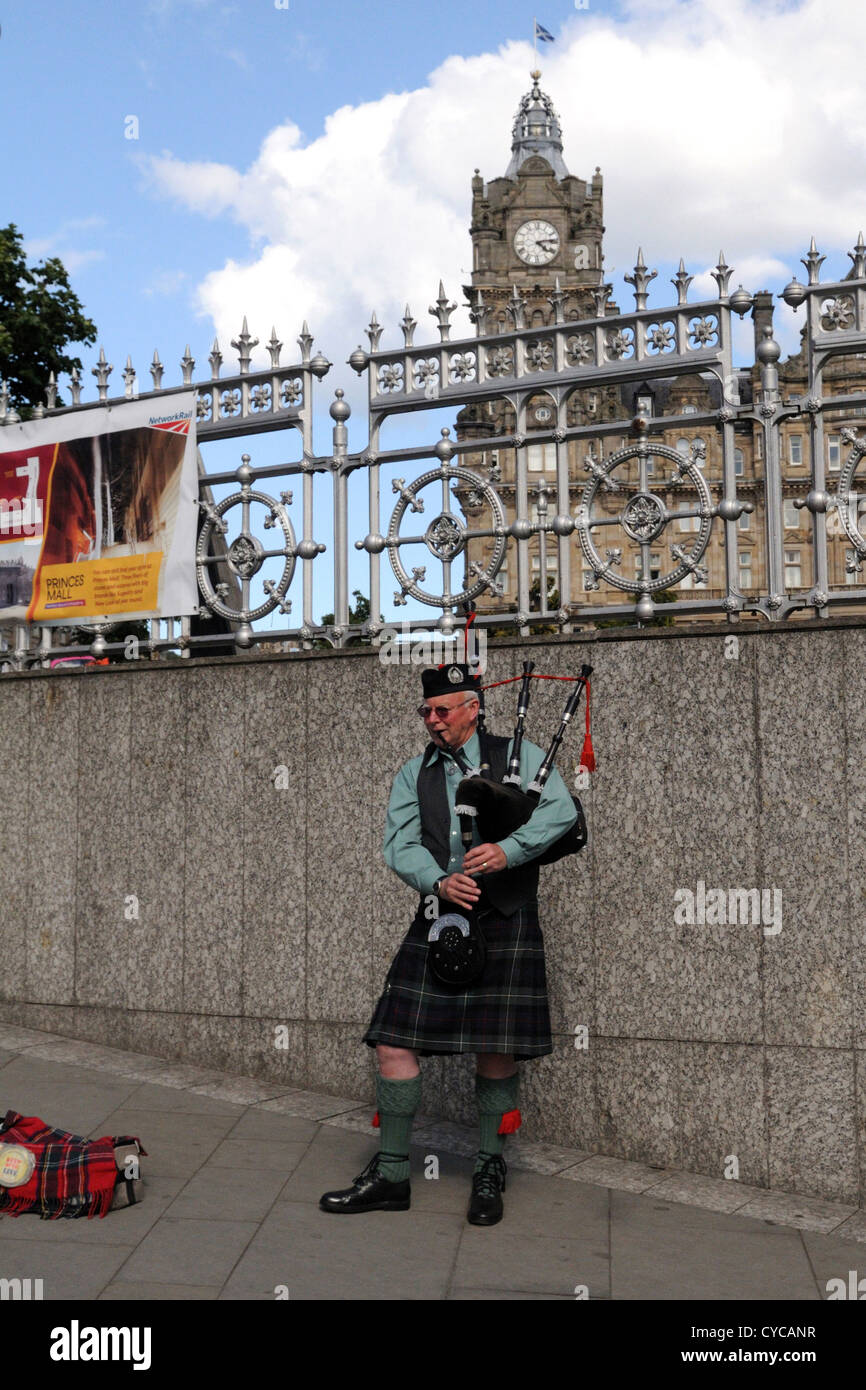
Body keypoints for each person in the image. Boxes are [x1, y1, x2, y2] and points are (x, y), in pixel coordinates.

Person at [319, 661, 578, 1226]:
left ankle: (489, 1167)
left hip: (505, 914)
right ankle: (391, 1175)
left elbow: (563, 811)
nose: (433, 721)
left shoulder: (518, 755)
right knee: (393, 1042)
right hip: (441, 915)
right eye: (426, 712)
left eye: (443, 710)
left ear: (473, 708)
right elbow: (399, 843)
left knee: (495, 1047)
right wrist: (436, 879)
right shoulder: (414, 773)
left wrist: (512, 850)